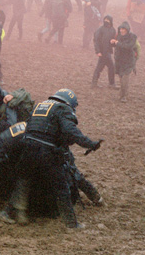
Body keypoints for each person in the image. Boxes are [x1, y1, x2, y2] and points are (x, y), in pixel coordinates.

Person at [12, 88, 101, 229]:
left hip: (28, 147)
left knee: (23, 180)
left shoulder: (39, 106)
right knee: (61, 187)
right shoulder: (63, 109)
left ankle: (20, 212)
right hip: (47, 151)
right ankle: (71, 224)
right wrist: (90, 144)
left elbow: (27, 125)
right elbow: (70, 131)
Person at [112, 21, 138, 101]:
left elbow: (128, 47)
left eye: (123, 29)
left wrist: (117, 43)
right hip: (119, 61)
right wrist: (112, 43)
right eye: (121, 29)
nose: (122, 30)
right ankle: (123, 94)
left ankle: (124, 96)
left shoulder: (132, 37)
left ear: (127, 29)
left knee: (124, 79)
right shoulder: (118, 36)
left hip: (128, 61)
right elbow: (115, 46)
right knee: (121, 78)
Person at [90, 15, 117, 88]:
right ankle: (111, 84)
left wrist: (114, 42)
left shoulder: (113, 30)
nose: (106, 21)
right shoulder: (100, 29)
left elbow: (113, 41)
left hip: (108, 51)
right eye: (105, 20)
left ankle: (95, 83)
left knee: (103, 67)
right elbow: (96, 40)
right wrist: (98, 51)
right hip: (102, 52)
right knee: (107, 67)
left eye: (108, 20)